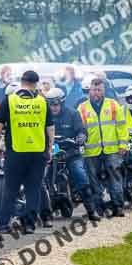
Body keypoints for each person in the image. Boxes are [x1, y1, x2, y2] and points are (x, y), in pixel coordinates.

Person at [0, 70, 54, 233]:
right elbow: (50, 128)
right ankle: (29, 225)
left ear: (22, 82)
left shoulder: (9, 100)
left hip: (15, 152)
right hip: (37, 153)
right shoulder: (42, 102)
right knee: (33, 189)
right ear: (35, 84)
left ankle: (4, 224)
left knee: (10, 188)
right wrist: (49, 149)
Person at [42, 88, 100, 222]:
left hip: (71, 153)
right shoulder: (44, 115)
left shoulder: (73, 114)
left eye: (56, 104)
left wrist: (81, 137)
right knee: (42, 178)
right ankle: (43, 213)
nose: (53, 108)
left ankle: (91, 210)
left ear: (61, 103)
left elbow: (82, 130)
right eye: (51, 104)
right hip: (51, 153)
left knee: (79, 174)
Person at [77, 77, 128, 217]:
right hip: (91, 151)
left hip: (112, 151)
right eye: (94, 90)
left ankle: (118, 207)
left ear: (104, 90)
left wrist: (123, 144)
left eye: (99, 90)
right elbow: (79, 128)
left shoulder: (113, 105)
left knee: (115, 179)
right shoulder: (82, 108)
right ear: (89, 91)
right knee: (94, 181)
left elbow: (122, 127)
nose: (96, 93)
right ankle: (99, 208)